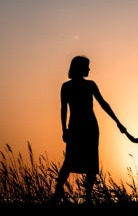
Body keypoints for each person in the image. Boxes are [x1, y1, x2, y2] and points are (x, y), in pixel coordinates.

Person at [52, 56, 124, 202]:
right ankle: (57, 192)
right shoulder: (66, 86)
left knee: (91, 162)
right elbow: (63, 109)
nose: (89, 69)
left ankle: (88, 196)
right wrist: (64, 129)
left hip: (90, 127)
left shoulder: (90, 85)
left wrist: (117, 121)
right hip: (76, 127)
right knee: (69, 160)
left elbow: (103, 104)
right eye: (87, 66)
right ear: (79, 68)